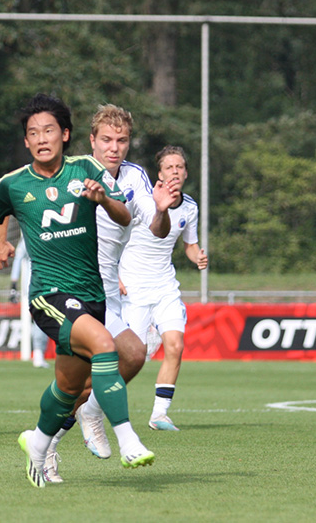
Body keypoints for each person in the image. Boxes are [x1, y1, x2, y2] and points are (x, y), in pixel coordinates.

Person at [0, 93, 155, 489]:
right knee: (106, 346)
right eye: (32, 132)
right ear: (26, 141)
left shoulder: (86, 169)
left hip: (93, 295)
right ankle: (128, 439)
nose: (41, 138)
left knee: (69, 388)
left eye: (49, 130)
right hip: (48, 297)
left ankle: (37, 443)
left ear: (65, 134)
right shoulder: (14, 183)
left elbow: (124, 217)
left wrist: (102, 198)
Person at [118, 145, 208, 430]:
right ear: (159, 173)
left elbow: (190, 245)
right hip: (132, 287)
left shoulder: (190, 207)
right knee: (132, 356)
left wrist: (198, 257)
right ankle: (93, 402)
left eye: (179, 167)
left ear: (186, 172)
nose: (175, 172)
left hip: (165, 286)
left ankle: (159, 414)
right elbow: (117, 237)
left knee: (175, 345)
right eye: (169, 167)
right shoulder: (143, 200)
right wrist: (115, 276)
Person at [9, 237, 50, 369]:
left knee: (42, 319)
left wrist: (13, 284)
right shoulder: (32, 236)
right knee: (42, 319)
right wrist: (14, 284)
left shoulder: (29, 236)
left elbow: (18, 259)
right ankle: (38, 353)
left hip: (37, 286)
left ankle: (39, 353)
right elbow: (18, 258)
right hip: (40, 285)